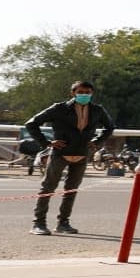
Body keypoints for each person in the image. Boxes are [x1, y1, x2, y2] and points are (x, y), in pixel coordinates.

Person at [23, 81, 114, 235]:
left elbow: (109, 127)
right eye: (81, 92)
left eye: (87, 92)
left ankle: (63, 223)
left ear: (92, 94)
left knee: (71, 190)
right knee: (48, 188)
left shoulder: (97, 110)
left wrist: (97, 142)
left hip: (82, 154)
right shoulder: (59, 108)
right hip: (60, 153)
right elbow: (31, 124)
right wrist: (46, 143)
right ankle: (38, 223)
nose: (84, 95)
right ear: (73, 93)